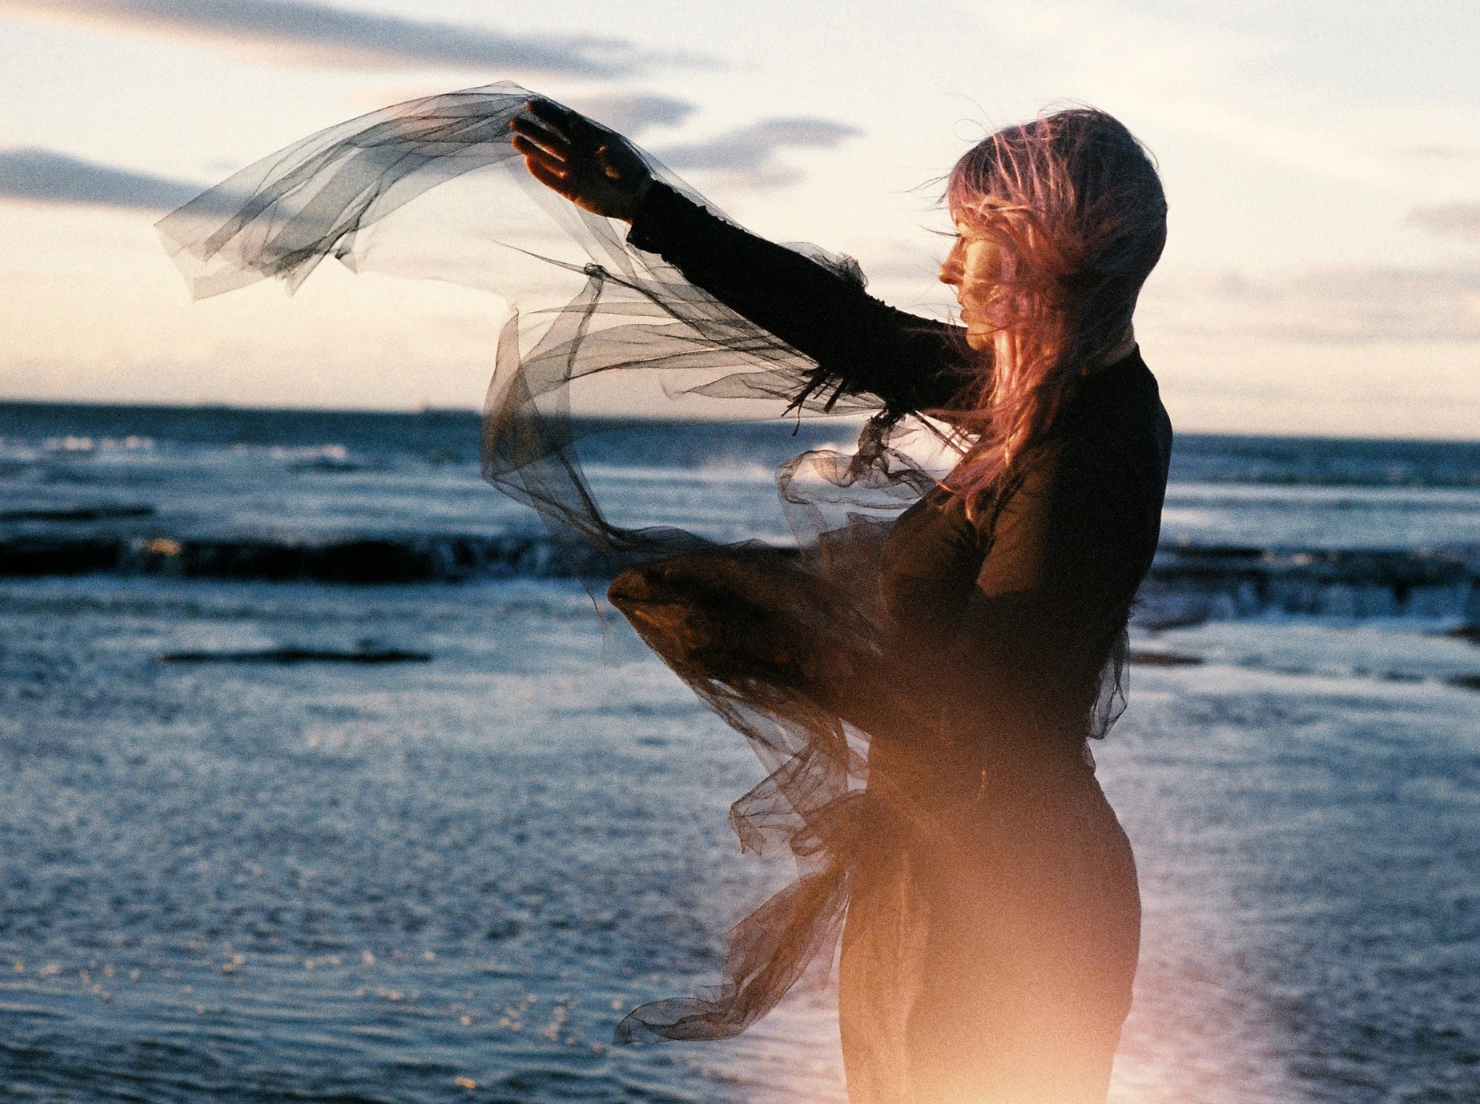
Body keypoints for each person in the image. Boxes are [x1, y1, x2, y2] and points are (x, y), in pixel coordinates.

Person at [159, 86, 1171, 1104]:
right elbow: (845, 326)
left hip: (1005, 899)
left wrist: (761, 628)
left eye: (970, 240)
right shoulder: (1036, 387)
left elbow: (978, 707)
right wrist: (646, 206)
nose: (947, 266)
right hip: (948, 864)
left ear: (1043, 252)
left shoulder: (1088, 445)